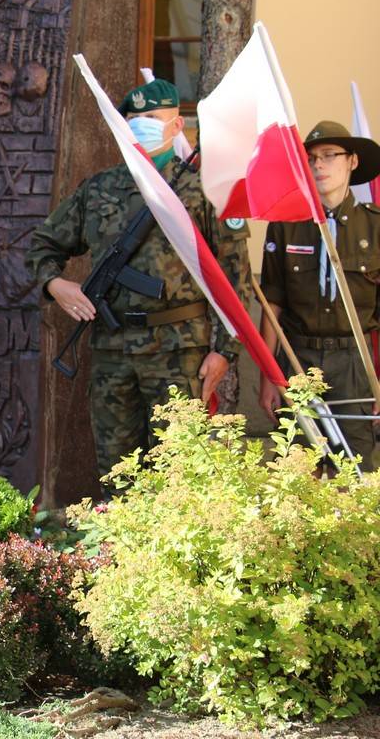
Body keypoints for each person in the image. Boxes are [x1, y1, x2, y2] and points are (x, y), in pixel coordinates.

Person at [26, 79, 250, 480]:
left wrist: (225, 353)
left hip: (181, 351)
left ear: (178, 126)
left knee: (180, 471)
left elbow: (236, 280)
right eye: (134, 119)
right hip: (112, 350)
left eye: (153, 118)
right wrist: (56, 285)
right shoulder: (99, 189)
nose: (142, 125)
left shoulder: (204, 190)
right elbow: (42, 246)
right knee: (118, 471)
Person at [258, 120, 380, 471]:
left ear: (352, 161)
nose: (319, 166)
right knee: (297, 467)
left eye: (329, 156)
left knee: (355, 470)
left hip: (354, 364)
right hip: (298, 359)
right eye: (311, 159)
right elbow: (272, 303)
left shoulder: (374, 227)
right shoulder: (286, 225)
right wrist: (269, 374)